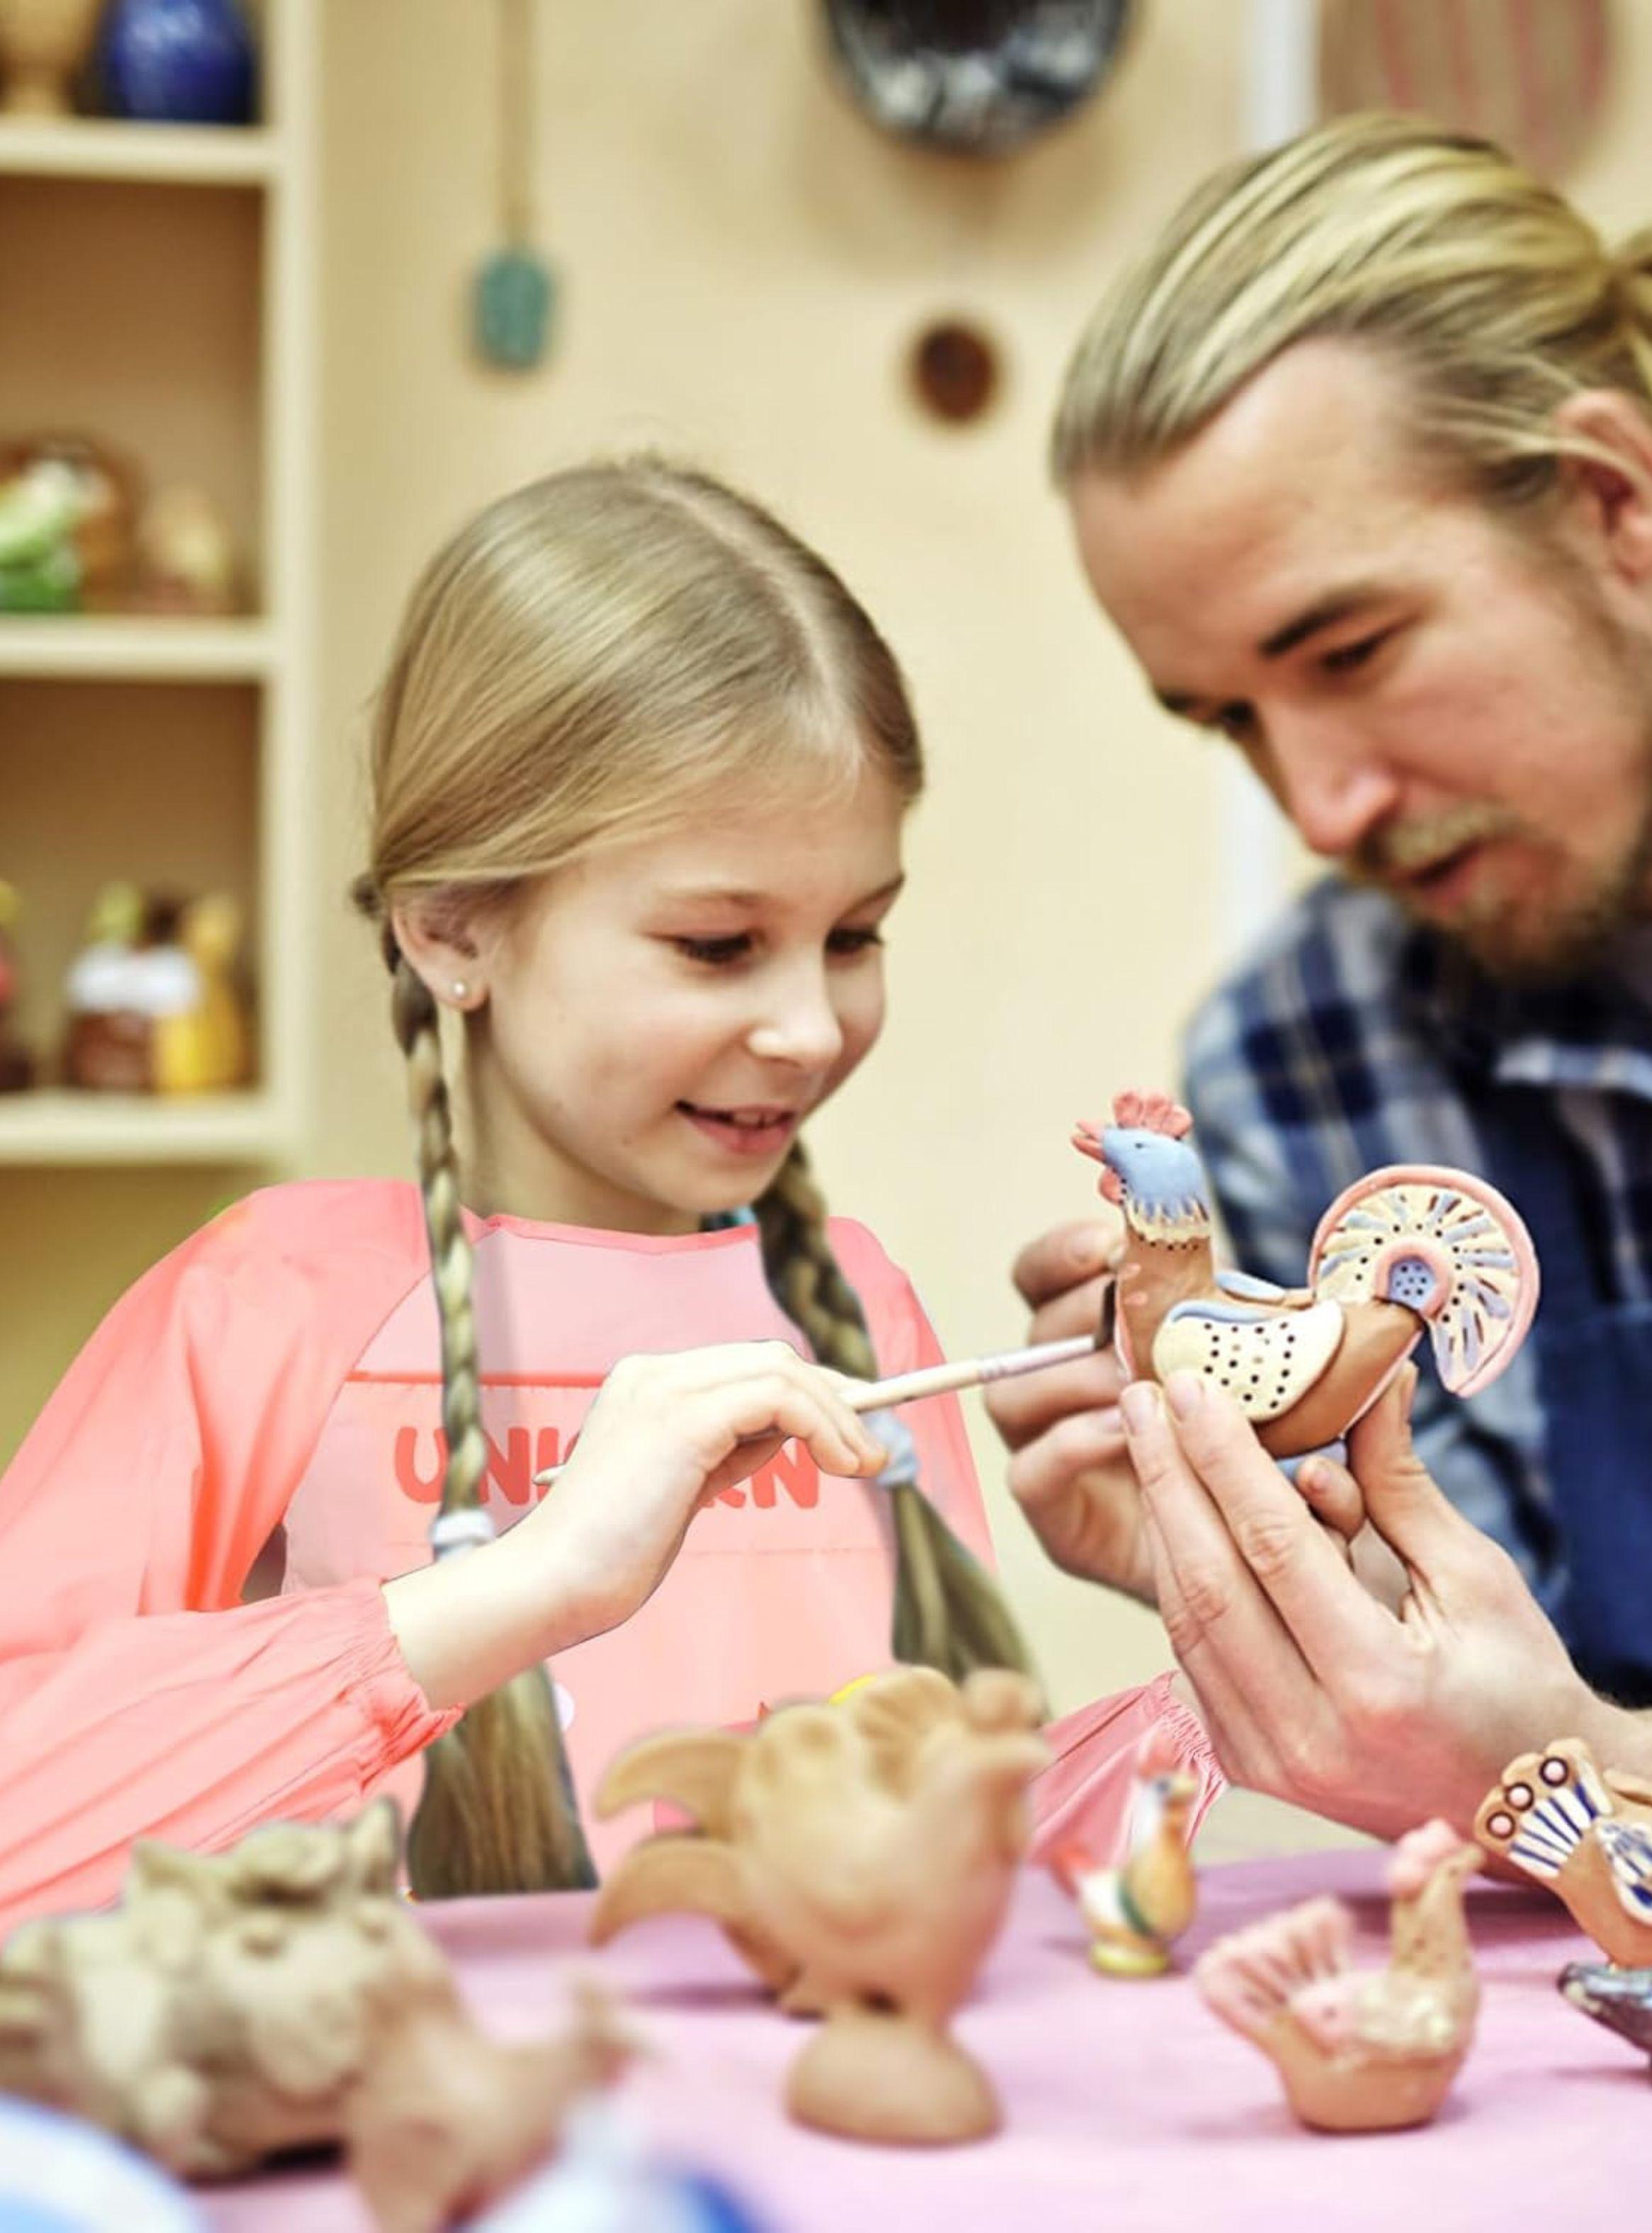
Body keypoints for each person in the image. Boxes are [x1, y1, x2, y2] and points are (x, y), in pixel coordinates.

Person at [0, 461, 1213, 1931]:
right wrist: (531, 1586)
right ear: (453, 928)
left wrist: (1224, 1596)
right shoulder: (272, 1303)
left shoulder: (857, 1305)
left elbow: (959, 1875)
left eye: (852, 936)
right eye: (715, 945)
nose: (810, 1028)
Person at [989, 112, 1652, 1840]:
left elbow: (1559, 1759)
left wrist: (1575, 1771)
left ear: (1613, 507)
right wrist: (1326, 1600)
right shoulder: (1307, 1050)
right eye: (1229, 720)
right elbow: (1504, 1701)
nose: (1320, 806)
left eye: (1348, 652)